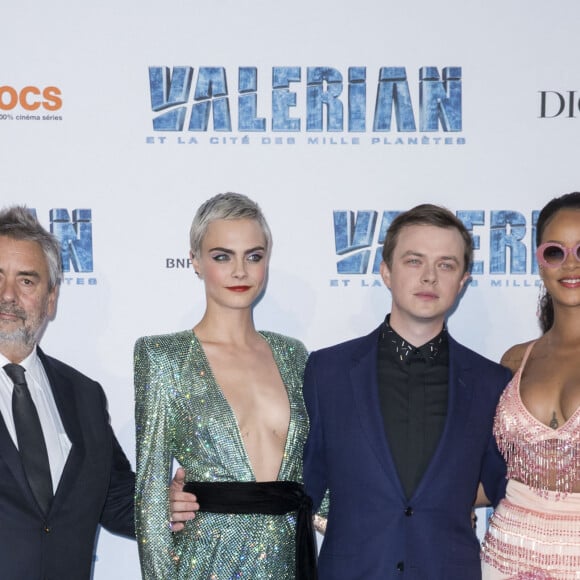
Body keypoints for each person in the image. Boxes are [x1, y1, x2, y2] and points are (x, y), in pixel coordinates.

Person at [302, 204, 512, 579]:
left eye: (446, 265)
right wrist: (208, 495)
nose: (429, 277)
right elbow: (298, 485)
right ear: (386, 271)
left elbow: (512, 492)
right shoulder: (327, 371)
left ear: (463, 280)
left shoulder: (491, 383)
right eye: (415, 261)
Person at [134, 193, 316, 579]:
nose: (240, 272)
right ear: (195, 262)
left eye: (254, 256)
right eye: (222, 256)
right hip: (207, 558)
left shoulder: (293, 355)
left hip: (288, 557)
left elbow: (316, 468)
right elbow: (150, 496)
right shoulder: (162, 356)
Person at [0, 205, 135, 579]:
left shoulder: (84, 395)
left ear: (51, 298)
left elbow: (117, 499)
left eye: (26, 281)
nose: (8, 295)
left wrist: (169, 504)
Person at [481, 192, 580, 579]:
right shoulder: (514, 360)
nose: (570, 263)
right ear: (539, 262)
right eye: (555, 252)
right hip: (506, 555)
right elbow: (480, 468)